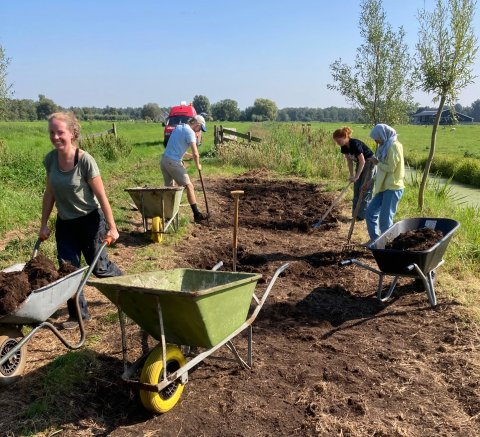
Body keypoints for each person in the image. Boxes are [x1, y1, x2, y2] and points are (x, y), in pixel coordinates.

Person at [39, 112, 122, 329]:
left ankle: (129, 289)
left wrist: (112, 227)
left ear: (72, 133)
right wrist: (44, 224)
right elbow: (49, 194)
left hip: (90, 222)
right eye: (52, 133)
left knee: (100, 269)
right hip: (65, 224)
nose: (55, 137)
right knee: (69, 271)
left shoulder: (84, 161)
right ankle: (78, 315)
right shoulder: (50, 160)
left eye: (60, 132)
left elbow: (102, 196)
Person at [160, 114, 209, 222]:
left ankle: (168, 217)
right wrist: (198, 165)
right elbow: (196, 153)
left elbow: (178, 149)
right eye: (200, 128)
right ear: (197, 124)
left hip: (164, 161)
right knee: (189, 186)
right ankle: (197, 215)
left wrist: (190, 156)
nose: (199, 131)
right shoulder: (190, 132)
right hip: (173, 163)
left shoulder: (179, 127)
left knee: (169, 189)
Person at [365, 123, 405, 243]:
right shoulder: (385, 147)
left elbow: (391, 168)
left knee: (385, 220)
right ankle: (376, 241)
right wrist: (370, 181)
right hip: (383, 186)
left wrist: (376, 162)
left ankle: (387, 245)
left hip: (393, 187)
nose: (376, 141)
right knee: (370, 212)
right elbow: (383, 170)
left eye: (377, 138)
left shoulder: (394, 146)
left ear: (383, 135)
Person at [333, 126, 376, 221]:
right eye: (336, 142)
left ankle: (361, 216)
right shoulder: (344, 147)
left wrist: (357, 176)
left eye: (339, 141)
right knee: (356, 188)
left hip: (369, 163)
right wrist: (352, 175)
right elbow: (349, 161)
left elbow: (363, 161)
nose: (338, 143)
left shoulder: (354, 144)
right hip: (360, 164)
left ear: (345, 137)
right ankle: (355, 214)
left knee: (364, 189)